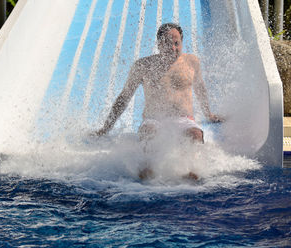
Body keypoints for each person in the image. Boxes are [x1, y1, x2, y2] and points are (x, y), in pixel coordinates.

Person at [94, 23, 222, 179]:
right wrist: (106, 127)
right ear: (159, 44)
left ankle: (190, 177)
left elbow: (200, 88)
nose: (173, 48)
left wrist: (208, 114)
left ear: (181, 42)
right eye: (168, 44)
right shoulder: (143, 66)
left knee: (195, 134)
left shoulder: (192, 62)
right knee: (149, 133)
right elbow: (124, 97)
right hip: (154, 119)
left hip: (185, 120)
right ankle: (147, 179)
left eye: (177, 44)